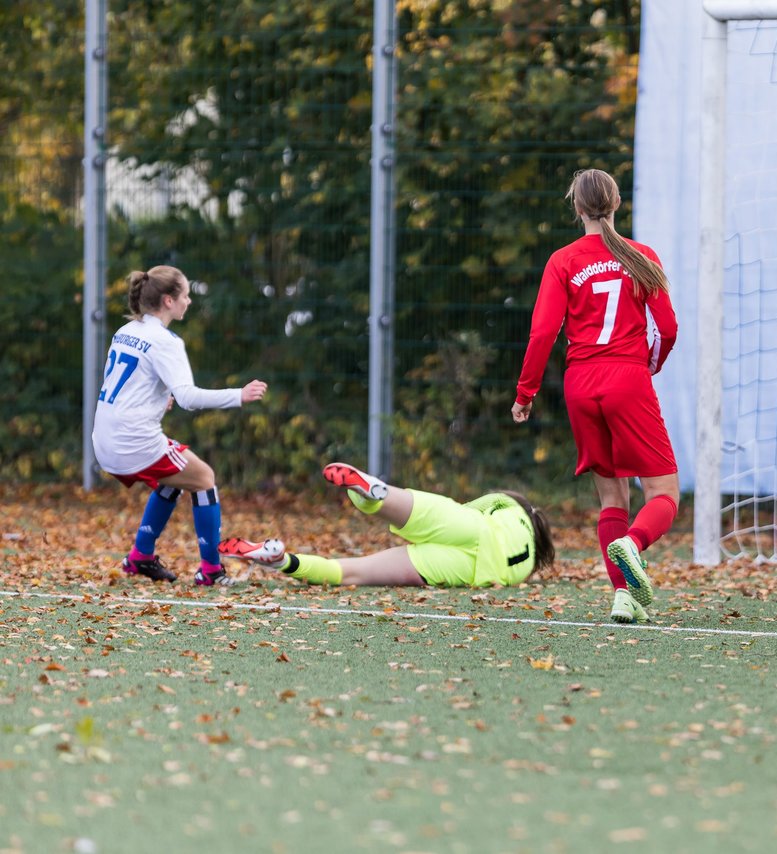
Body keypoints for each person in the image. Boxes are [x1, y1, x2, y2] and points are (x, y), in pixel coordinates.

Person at [511, 168, 680, 625]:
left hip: (581, 385)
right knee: (664, 492)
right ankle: (636, 545)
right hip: (627, 379)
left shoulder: (563, 260)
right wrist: (651, 364)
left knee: (612, 499)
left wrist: (525, 393)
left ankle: (624, 597)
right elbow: (667, 330)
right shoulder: (641, 256)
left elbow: (543, 331)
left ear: (577, 208)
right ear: (616, 203)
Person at [91, 265, 268, 586]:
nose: (189, 301)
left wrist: (160, 399)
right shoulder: (165, 341)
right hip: (133, 442)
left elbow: (130, 384)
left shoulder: (126, 331)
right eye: (185, 295)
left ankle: (140, 557)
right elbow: (188, 398)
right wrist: (238, 395)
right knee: (203, 478)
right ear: (169, 301)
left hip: (104, 439)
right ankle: (211, 570)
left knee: (174, 478)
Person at [219, 462, 554, 587]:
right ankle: (281, 560)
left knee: (411, 508)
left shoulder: (510, 506)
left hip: (474, 527)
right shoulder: (524, 568)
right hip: (473, 570)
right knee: (354, 572)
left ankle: (375, 494)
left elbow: (468, 509)